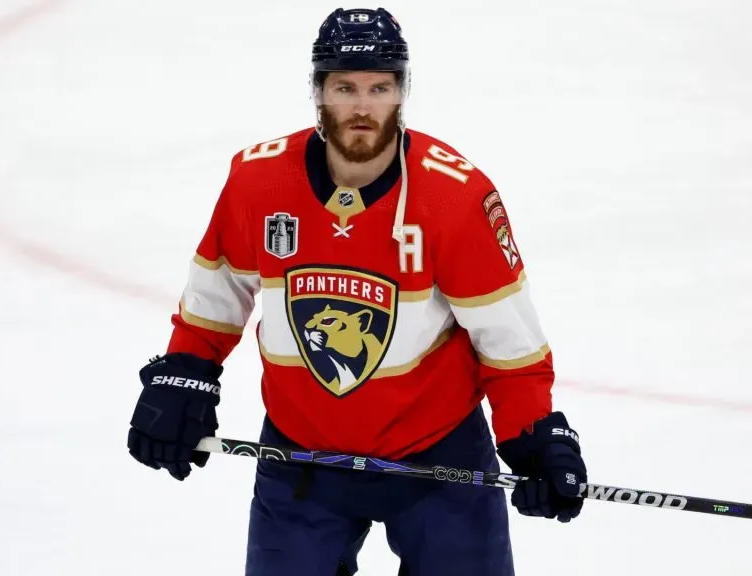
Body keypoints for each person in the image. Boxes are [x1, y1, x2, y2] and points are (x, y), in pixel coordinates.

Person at [126, 7, 588, 576]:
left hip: (437, 455)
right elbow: (217, 296)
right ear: (318, 92)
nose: (363, 107)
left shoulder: (455, 199)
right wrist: (185, 374)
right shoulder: (258, 181)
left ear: (402, 93)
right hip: (301, 452)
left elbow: (509, 345)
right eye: (345, 87)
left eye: (380, 87)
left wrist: (535, 438)